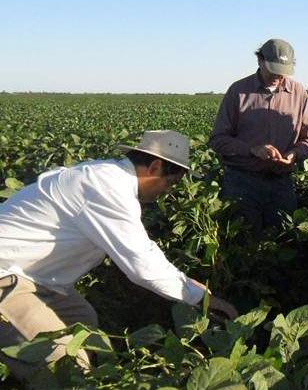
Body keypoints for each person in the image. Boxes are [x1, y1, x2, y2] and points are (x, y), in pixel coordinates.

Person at [0, 130, 238, 382]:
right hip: (5, 277)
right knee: (66, 367)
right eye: (170, 182)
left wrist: (189, 287)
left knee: (85, 323)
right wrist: (203, 299)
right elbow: (142, 265)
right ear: (155, 166)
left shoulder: (106, 177)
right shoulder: (106, 187)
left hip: (36, 278)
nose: (168, 191)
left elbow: (141, 250)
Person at [209, 38, 308, 236]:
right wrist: (252, 150)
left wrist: (293, 154)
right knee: (242, 244)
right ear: (260, 61)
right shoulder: (238, 91)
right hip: (242, 182)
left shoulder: (299, 93)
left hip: (282, 183)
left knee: (282, 241)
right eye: (273, 68)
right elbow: (218, 139)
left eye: (283, 71)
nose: (278, 75)